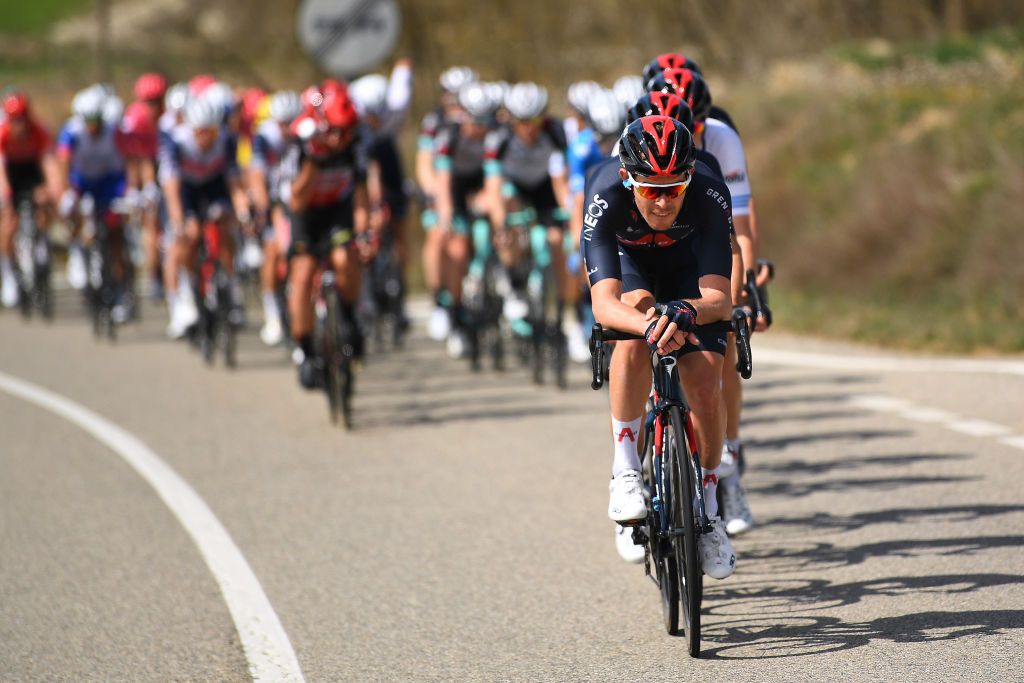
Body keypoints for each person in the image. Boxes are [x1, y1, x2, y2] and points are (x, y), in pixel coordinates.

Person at [581, 115, 736, 578]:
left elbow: (719, 299)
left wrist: (687, 312)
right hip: (633, 273)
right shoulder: (604, 193)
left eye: (675, 187)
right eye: (651, 189)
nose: (665, 201)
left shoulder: (708, 195)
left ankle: (708, 511)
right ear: (628, 178)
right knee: (630, 342)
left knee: (706, 377)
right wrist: (651, 325)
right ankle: (626, 468)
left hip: (688, 275)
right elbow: (605, 305)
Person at [283, 84, 370, 389]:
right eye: (333, 131)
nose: (338, 139)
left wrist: (364, 233)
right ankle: (305, 348)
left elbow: (361, 196)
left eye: (345, 131)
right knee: (304, 273)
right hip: (305, 213)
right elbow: (296, 201)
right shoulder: (301, 143)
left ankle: (349, 317)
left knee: (346, 256)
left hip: (337, 209)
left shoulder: (354, 144)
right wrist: (314, 161)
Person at [159, 91, 249, 338]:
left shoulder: (227, 140)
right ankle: (185, 296)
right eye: (200, 132)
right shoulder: (175, 142)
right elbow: (172, 187)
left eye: (210, 132)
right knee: (188, 236)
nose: (205, 138)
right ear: (191, 128)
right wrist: (179, 221)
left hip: (213, 185)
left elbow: (234, 181)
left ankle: (230, 289)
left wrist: (242, 212)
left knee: (224, 227)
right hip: (186, 189)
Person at [431, 81, 501, 357]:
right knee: (458, 250)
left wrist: (492, 200)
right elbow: (443, 182)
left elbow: (499, 177)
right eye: (475, 120)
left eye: (486, 120)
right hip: (457, 189)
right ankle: (455, 312)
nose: (480, 127)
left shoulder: (497, 134)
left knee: (496, 232)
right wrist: (446, 215)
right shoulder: (448, 135)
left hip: (485, 184)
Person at [417, 66, 477, 341]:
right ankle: (439, 301)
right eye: (450, 97)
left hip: (473, 186)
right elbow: (425, 165)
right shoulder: (434, 121)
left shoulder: (478, 117)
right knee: (438, 236)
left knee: (462, 247)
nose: (454, 103)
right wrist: (435, 197)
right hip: (443, 187)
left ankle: (460, 301)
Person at [249, 90, 302, 346]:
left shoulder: (305, 134)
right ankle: (272, 313)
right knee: (272, 250)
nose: (287, 128)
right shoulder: (263, 137)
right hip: (273, 199)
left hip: (296, 199)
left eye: (291, 122)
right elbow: (256, 175)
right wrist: (263, 206)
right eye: (282, 123)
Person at [0, 91, 60, 308]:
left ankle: (42, 242)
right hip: (11, 174)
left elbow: (49, 165)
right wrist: (6, 197)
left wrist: (51, 190)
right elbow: (1, 169)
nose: (20, 124)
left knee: (44, 205)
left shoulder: (39, 131)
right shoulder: (3, 133)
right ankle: (9, 276)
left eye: (23, 117)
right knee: (9, 224)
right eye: (15, 119)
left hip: (33, 171)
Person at [121, 72, 168, 299]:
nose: (154, 107)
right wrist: (137, 188)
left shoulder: (168, 116)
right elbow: (135, 159)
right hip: (143, 165)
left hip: (167, 164)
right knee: (152, 222)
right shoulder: (134, 119)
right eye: (149, 102)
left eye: (158, 101)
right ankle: (154, 274)